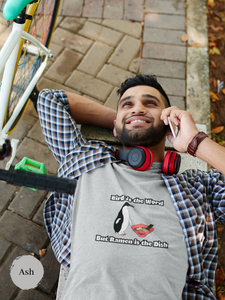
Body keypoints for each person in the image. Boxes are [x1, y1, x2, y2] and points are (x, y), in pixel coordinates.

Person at [37, 75, 225, 300]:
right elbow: (50, 101)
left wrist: (195, 142)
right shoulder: (87, 161)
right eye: (128, 104)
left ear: (168, 122)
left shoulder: (196, 188)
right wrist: (121, 120)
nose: (137, 108)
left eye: (150, 103)